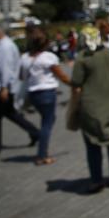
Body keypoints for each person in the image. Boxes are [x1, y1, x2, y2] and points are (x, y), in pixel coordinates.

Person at [71, 18, 109, 193]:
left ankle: (96, 180)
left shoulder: (82, 59)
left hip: (92, 106)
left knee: (93, 144)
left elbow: (76, 82)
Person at [0, 24, 40, 156]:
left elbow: (5, 68)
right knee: (10, 114)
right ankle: (35, 133)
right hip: (0, 87)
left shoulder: (4, 47)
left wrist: (4, 87)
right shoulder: (2, 46)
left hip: (0, 88)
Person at [22, 25, 72, 165]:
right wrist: (75, 84)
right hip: (47, 93)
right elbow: (62, 76)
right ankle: (42, 155)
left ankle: (42, 153)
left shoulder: (25, 58)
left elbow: (21, 77)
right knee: (47, 124)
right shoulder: (48, 57)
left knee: (46, 120)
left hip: (33, 93)